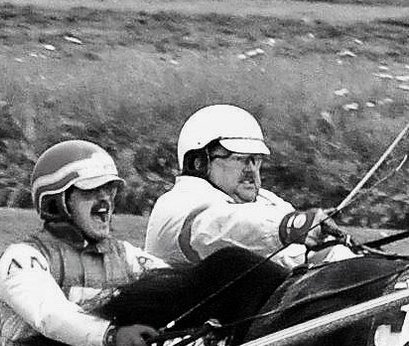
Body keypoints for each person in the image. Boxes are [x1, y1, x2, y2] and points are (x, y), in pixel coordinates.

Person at [0, 140, 168, 346]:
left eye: (109, 189)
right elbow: (51, 316)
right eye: (91, 191)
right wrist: (112, 336)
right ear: (57, 202)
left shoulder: (126, 256)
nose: (105, 199)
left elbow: (175, 285)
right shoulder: (22, 257)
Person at [144, 103, 351, 269]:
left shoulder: (266, 201)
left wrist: (338, 252)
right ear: (200, 163)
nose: (251, 169)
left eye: (256, 159)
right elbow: (221, 229)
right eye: (239, 159)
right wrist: (293, 226)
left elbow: (294, 257)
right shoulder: (177, 204)